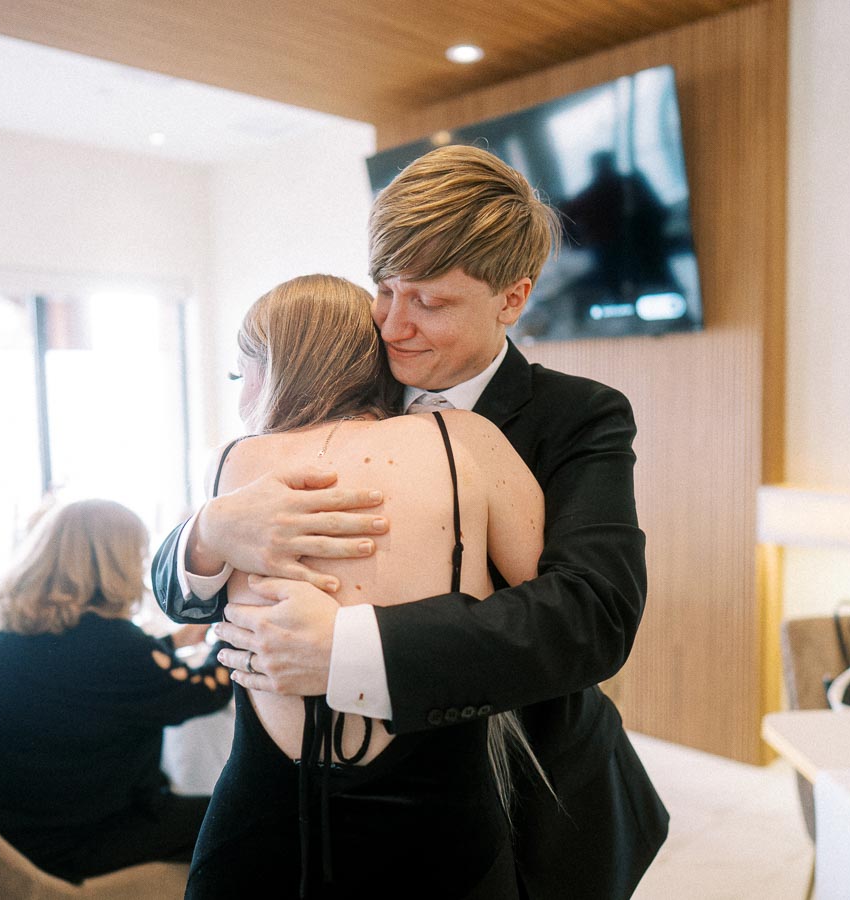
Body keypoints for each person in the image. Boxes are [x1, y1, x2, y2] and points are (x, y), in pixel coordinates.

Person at [154, 145, 669, 899]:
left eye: (428, 302)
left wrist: (344, 650)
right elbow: (183, 592)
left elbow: (592, 617)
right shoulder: (341, 384)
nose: (392, 326)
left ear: (512, 298)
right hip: (299, 806)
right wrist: (208, 536)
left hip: (518, 799)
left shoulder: (578, 416)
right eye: (383, 290)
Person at [185, 273, 545, 898]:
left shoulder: (235, 463)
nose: (243, 398)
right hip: (437, 824)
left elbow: (187, 601)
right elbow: (552, 609)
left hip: (259, 823)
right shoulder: (468, 442)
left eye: (242, 375)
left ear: (276, 367)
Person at [0, 498, 232, 883]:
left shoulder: (11, 626)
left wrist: (176, 641)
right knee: (243, 819)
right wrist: (232, 633)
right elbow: (207, 691)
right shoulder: (112, 645)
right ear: (115, 563)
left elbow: (98, 674)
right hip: (68, 843)